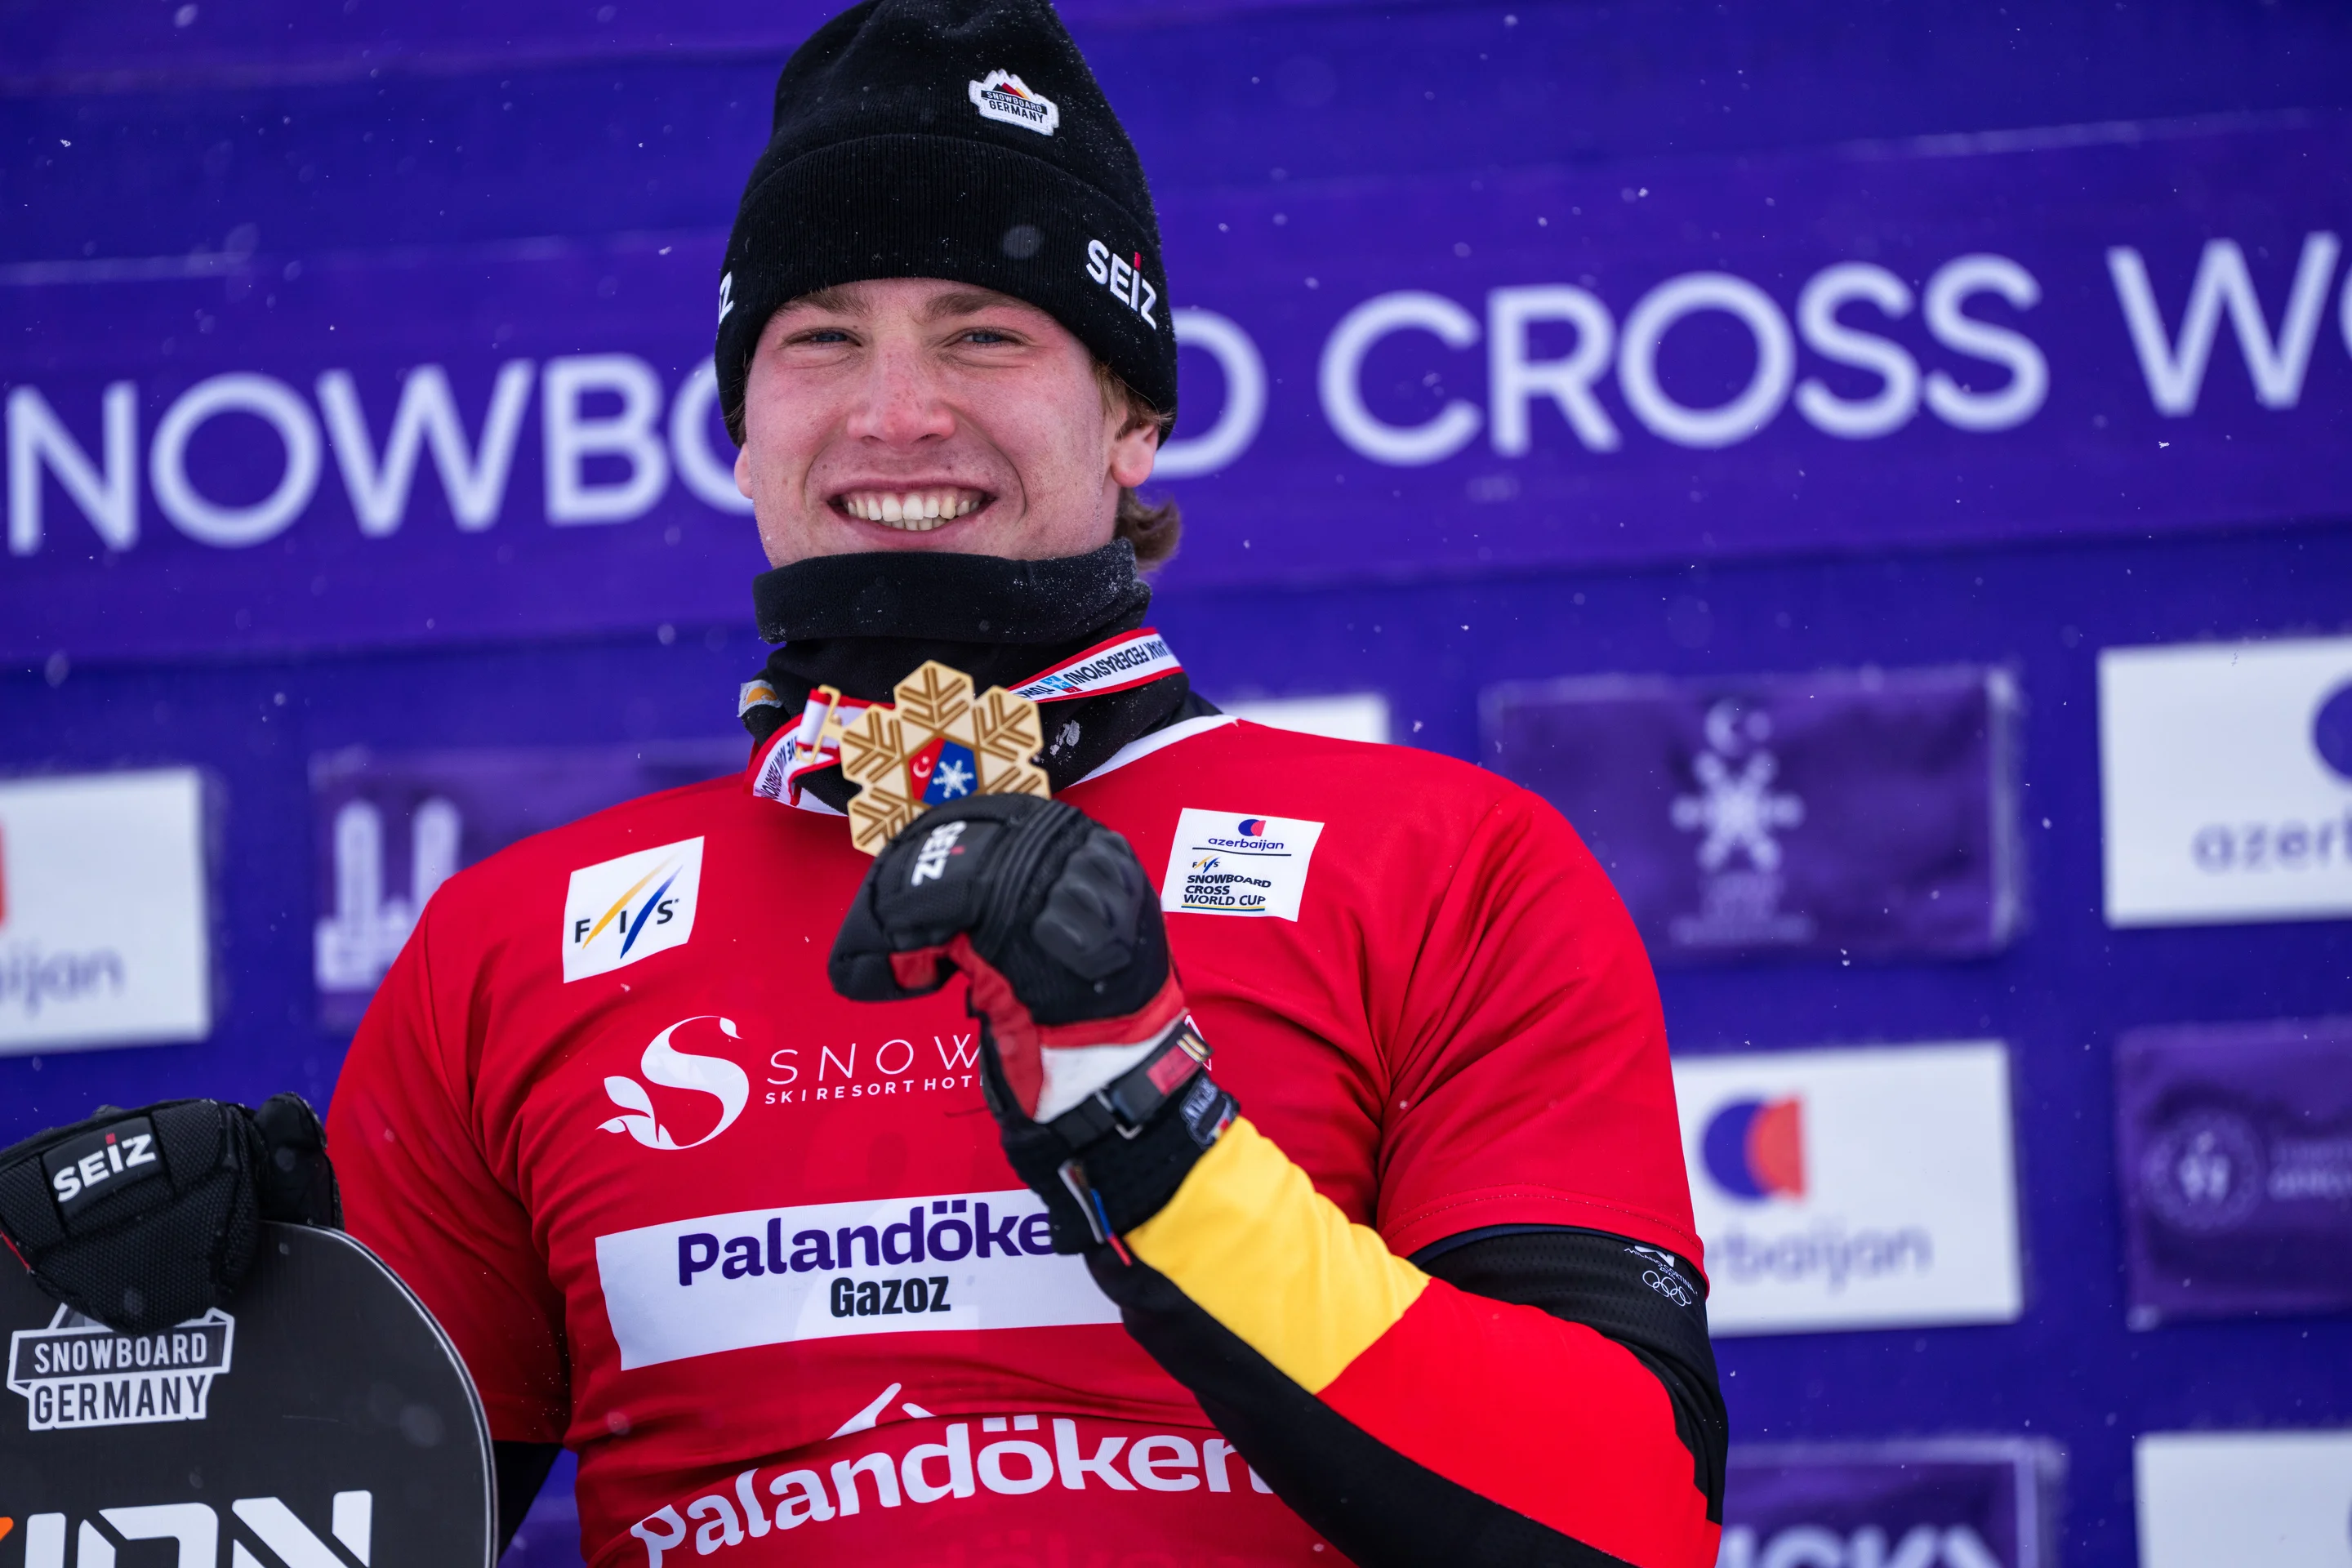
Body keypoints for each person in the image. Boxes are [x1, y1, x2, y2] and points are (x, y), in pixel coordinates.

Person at [7, 2, 1727, 1563]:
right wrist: (146, 1355)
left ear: (1132, 419)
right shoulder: (506, 951)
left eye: (985, 336)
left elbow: (1618, 1513)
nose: (898, 415)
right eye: (821, 340)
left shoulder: (1439, 865)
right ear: (740, 429)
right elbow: (315, 1521)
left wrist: (1153, 1132)